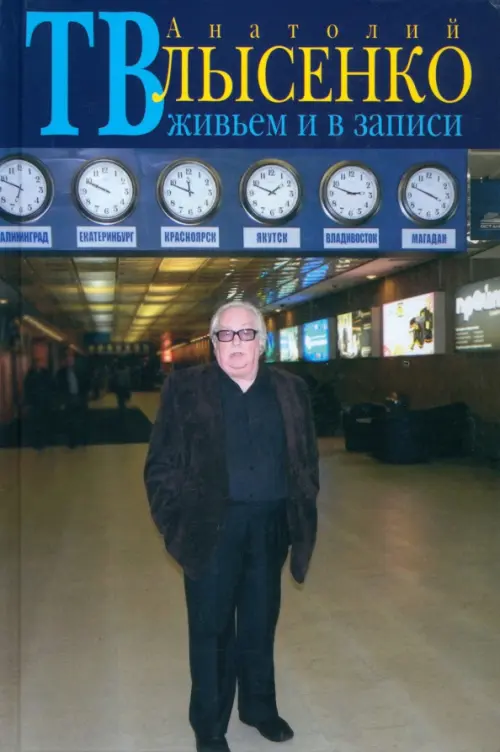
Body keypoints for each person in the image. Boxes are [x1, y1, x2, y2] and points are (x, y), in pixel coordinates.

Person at [144, 301, 320, 752]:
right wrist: (175, 526)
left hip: (270, 528)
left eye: (246, 333)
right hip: (210, 529)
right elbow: (160, 465)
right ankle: (209, 726)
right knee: (211, 629)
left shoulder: (292, 389)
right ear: (214, 343)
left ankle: (258, 707)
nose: (236, 343)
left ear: (262, 342)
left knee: (260, 623)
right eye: (226, 334)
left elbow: (306, 458)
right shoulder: (185, 389)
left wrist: (299, 512)